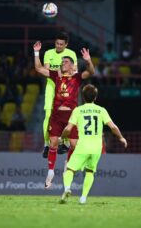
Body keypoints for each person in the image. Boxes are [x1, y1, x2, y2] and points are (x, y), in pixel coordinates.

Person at [33, 40, 95, 189]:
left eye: (66, 62)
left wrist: (88, 60)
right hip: (56, 116)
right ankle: (50, 172)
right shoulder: (56, 76)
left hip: (71, 118)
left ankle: (69, 165)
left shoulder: (77, 77)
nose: (62, 63)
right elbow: (39, 69)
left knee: (74, 145)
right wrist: (36, 53)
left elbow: (91, 72)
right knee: (53, 143)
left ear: (72, 65)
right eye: (62, 61)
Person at [59, 84, 127, 204]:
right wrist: (121, 138)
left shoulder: (78, 110)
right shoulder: (101, 110)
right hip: (97, 147)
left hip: (83, 145)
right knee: (90, 172)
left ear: (83, 97)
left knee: (70, 168)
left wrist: (61, 137)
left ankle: (67, 188)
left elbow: (68, 129)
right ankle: (83, 198)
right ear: (95, 97)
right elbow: (113, 127)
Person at [41, 32, 78, 158]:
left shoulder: (72, 54)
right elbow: (46, 70)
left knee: (68, 115)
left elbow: (75, 71)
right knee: (47, 115)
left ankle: (65, 143)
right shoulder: (48, 53)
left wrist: (64, 76)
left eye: (61, 44)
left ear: (66, 44)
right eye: (57, 43)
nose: (58, 46)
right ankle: (47, 144)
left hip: (66, 87)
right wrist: (57, 73)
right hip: (51, 86)